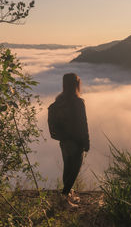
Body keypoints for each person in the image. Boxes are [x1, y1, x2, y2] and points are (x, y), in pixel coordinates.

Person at [48, 73, 90, 202]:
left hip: (64, 141)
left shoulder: (59, 101)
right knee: (74, 170)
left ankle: (66, 195)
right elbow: (83, 123)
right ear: (77, 85)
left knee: (68, 167)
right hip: (77, 142)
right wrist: (86, 142)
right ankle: (64, 198)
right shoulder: (78, 102)